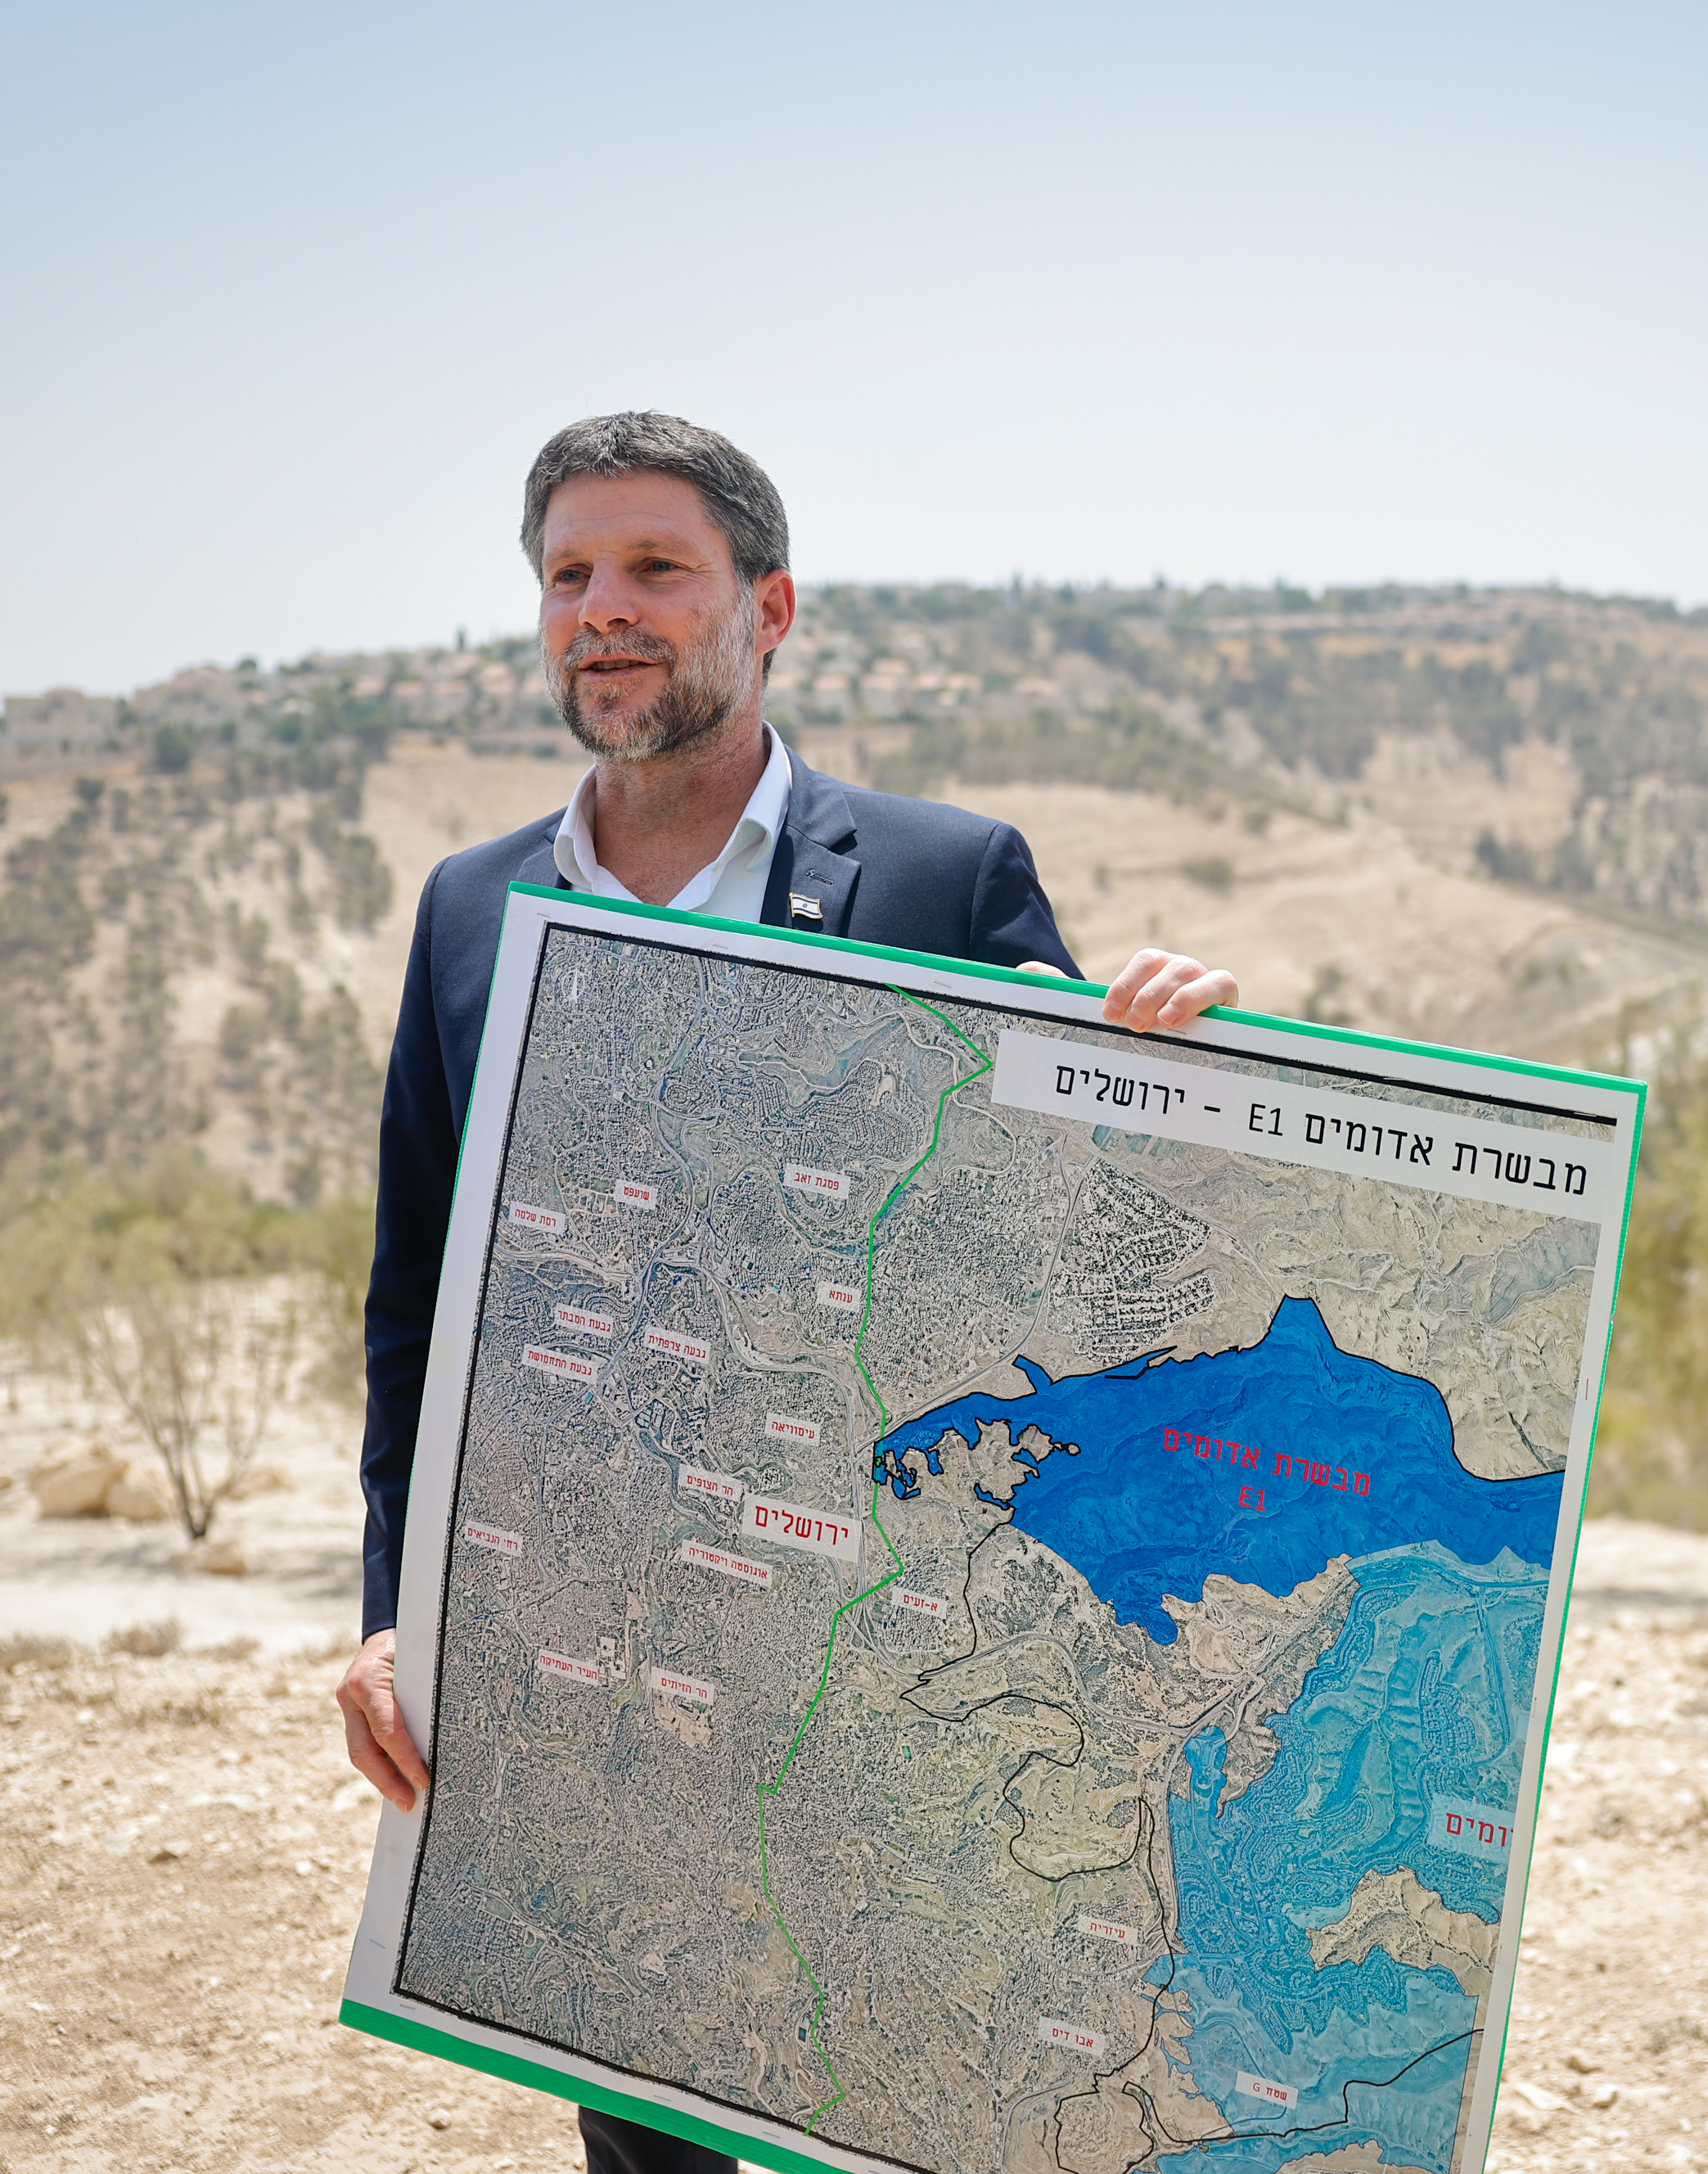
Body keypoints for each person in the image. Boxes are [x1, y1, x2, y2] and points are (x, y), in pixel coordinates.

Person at [333, 412, 1237, 2174]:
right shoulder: (470, 910)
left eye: (655, 568)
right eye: (569, 574)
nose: (603, 608)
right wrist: (394, 1616)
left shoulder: (944, 875)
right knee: (645, 2118)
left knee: (931, 2068)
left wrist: (1184, 1079)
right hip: (604, 1649)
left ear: (770, 608)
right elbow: (417, 1311)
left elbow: (1088, 1233)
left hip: (891, 1629)